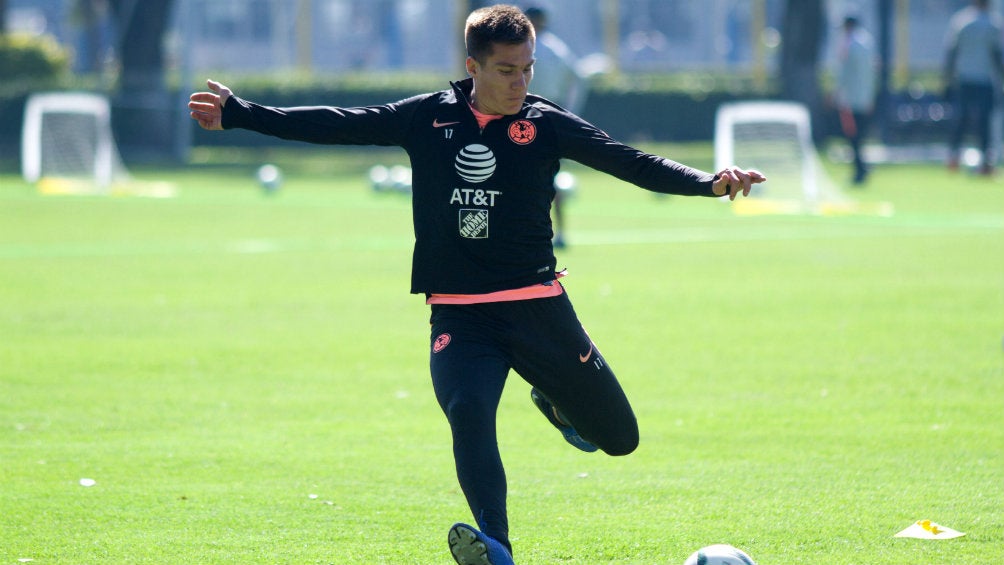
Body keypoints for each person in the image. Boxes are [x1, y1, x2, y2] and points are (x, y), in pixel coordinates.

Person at [189, 5, 765, 564]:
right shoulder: (427, 117)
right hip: (461, 316)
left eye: (527, 69)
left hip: (538, 308)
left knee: (619, 439)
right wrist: (241, 113)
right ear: (474, 67)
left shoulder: (543, 123)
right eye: (506, 71)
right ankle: (496, 546)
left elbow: (627, 161)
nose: (519, 83)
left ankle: (559, 406)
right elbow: (339, 124)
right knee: (468, 411)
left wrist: (710, 183)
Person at [524, 5, 588, 248]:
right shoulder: (555, 48)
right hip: (547, 118)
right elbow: (578, 78)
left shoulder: (533, 47)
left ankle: (551, 232)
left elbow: (577, 77)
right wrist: (569, 111)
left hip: (527, 118)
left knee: (543, 178)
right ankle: (557, 233)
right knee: (549, 177)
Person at [943, 0, 1004, 176]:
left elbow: (952, 51)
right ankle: (985, 162)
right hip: (984, 79)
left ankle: (953, 158)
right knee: (983, 122)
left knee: (960, 119)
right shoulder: (993, 23)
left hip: (963, 78)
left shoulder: (961, 20)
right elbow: (996, 54)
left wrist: (947, 77)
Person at [834, 13, 876, 185]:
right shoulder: (867, 42)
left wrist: (837, 92)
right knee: (860, 136)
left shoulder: (848, 43)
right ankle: (862, 167)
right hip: (865, 96)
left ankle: (860, 169)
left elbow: (844, 73)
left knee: (853, 136)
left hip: (850, 98)